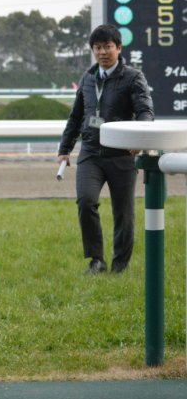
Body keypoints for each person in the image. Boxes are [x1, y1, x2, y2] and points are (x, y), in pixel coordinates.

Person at [58, 24, 154, 275]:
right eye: (98, 48)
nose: (102, 52)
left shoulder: (133, 77)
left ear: (118, 48)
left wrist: (140, 138)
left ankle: (120, 266)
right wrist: (65, 148)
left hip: (122, 154)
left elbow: (145, 110)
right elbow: (76, 115)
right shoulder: (88, 78)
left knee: (124, 213)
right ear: (93, 50)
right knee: (86, 201)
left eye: (108, 47)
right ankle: (96, 261)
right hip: (90, 153)